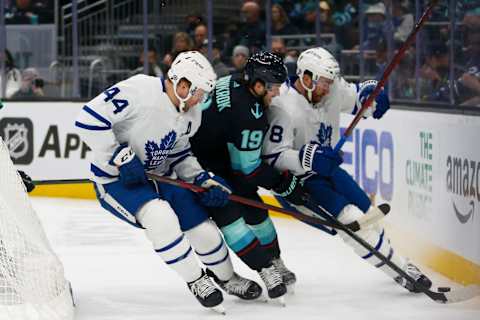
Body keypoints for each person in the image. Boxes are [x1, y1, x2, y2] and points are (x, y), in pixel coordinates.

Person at [75, 51, 262, 312]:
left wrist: (200, 179)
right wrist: (119, 155)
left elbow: (179, 154)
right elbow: (88, 120)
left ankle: (228, 278)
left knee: (203, 230)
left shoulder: (191, 113)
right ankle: (196, 280)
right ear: (183, 84)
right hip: (116, 181)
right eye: (199, 92)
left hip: (160, 177)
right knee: (160, 217)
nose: (202, 99)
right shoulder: (140, 89)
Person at [262, 47, 433, 293]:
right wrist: (306, 157)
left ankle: (395, 263)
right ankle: (402, 270)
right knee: (351, 221)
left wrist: (372, 95)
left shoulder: (329, 91)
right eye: (324, 82)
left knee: (369, 214)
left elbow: (358, 96)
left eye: (331, 82)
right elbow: (272, 156)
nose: (329, 88)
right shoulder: (282, 106)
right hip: (298, 182)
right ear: (306, 78)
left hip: (330, 171)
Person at [191, 52, 309, 301]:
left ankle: (274, 260)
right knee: (230, 216)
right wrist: (283, 183)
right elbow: (250, 169)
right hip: (196, 167)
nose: (277, 93)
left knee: (254, 207)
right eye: (274, 87)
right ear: (257, 85)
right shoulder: (250, 115)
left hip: (215, 157)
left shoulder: (233, 79)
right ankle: (265, 268)